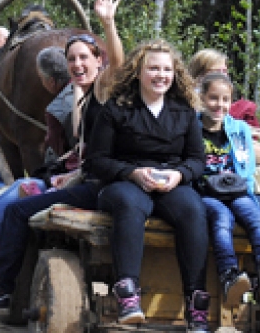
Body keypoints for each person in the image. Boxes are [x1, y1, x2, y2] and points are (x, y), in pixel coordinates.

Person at [0, 0, 122, 310]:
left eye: (84, 59)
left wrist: (108, 23)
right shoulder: (80, 97)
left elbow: (118, 63)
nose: (77, 65)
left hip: (95, 184)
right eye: (71, 60)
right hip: (81, 178)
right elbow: (80, 141)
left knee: (19, 208)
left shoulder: (104, 90)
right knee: (22, 186)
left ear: (100, 62)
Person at [84, 38, 211, 331]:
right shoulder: (116, 108)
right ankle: (128, 294)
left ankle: (196, 302)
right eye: (153, 68)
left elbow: (197, 160)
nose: (160, 75)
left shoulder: (184, 111)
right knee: (129, 204)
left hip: (170, 182)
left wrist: (179, 175)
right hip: (125, 180)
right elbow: (97, 160)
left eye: (166, 69)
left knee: (193, 209)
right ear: (138, 72)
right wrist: (133, 173)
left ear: (175, 73)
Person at [195, 72, 260, 306]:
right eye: (213, 98)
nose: (219, 105)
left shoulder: (239, 129)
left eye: (225, 100)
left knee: (255, 216)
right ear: (202, 98)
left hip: (235, 189)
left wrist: (241, 187)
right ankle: (229, 274)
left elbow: (247, 164)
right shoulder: (192, 128)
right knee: (222, 219)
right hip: (205, 192)